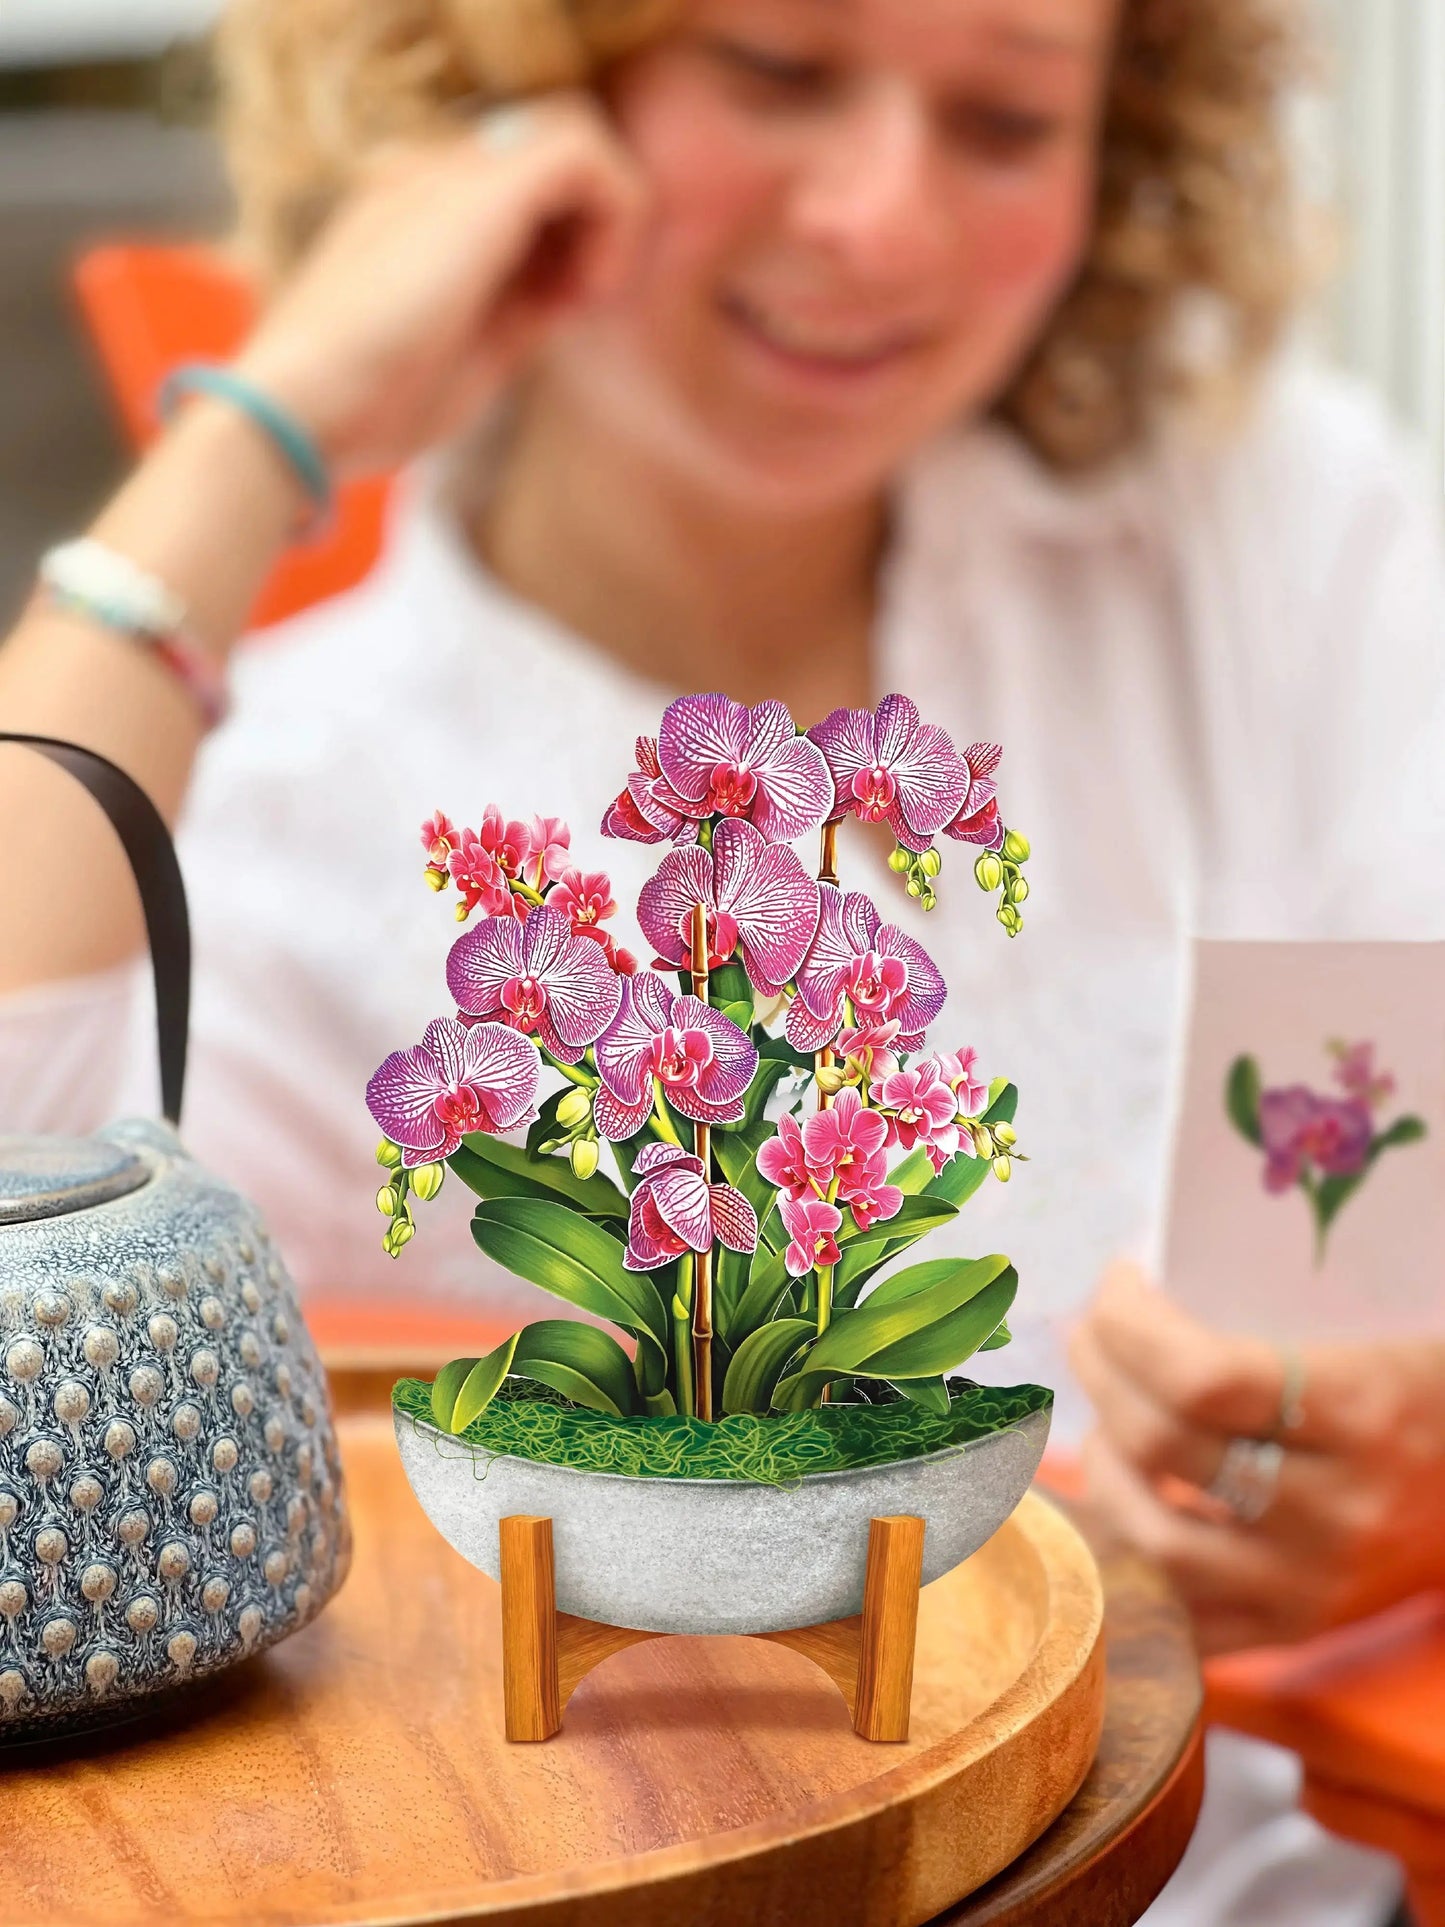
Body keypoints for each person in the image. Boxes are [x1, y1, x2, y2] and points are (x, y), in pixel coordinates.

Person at [1, 0, 1442, 1918]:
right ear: (514, 87)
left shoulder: (1248, 538)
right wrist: (269, 425)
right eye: (772, 68)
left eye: (1006, 119)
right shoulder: (285, 816)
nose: (879, 221)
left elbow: (1395, 1157)